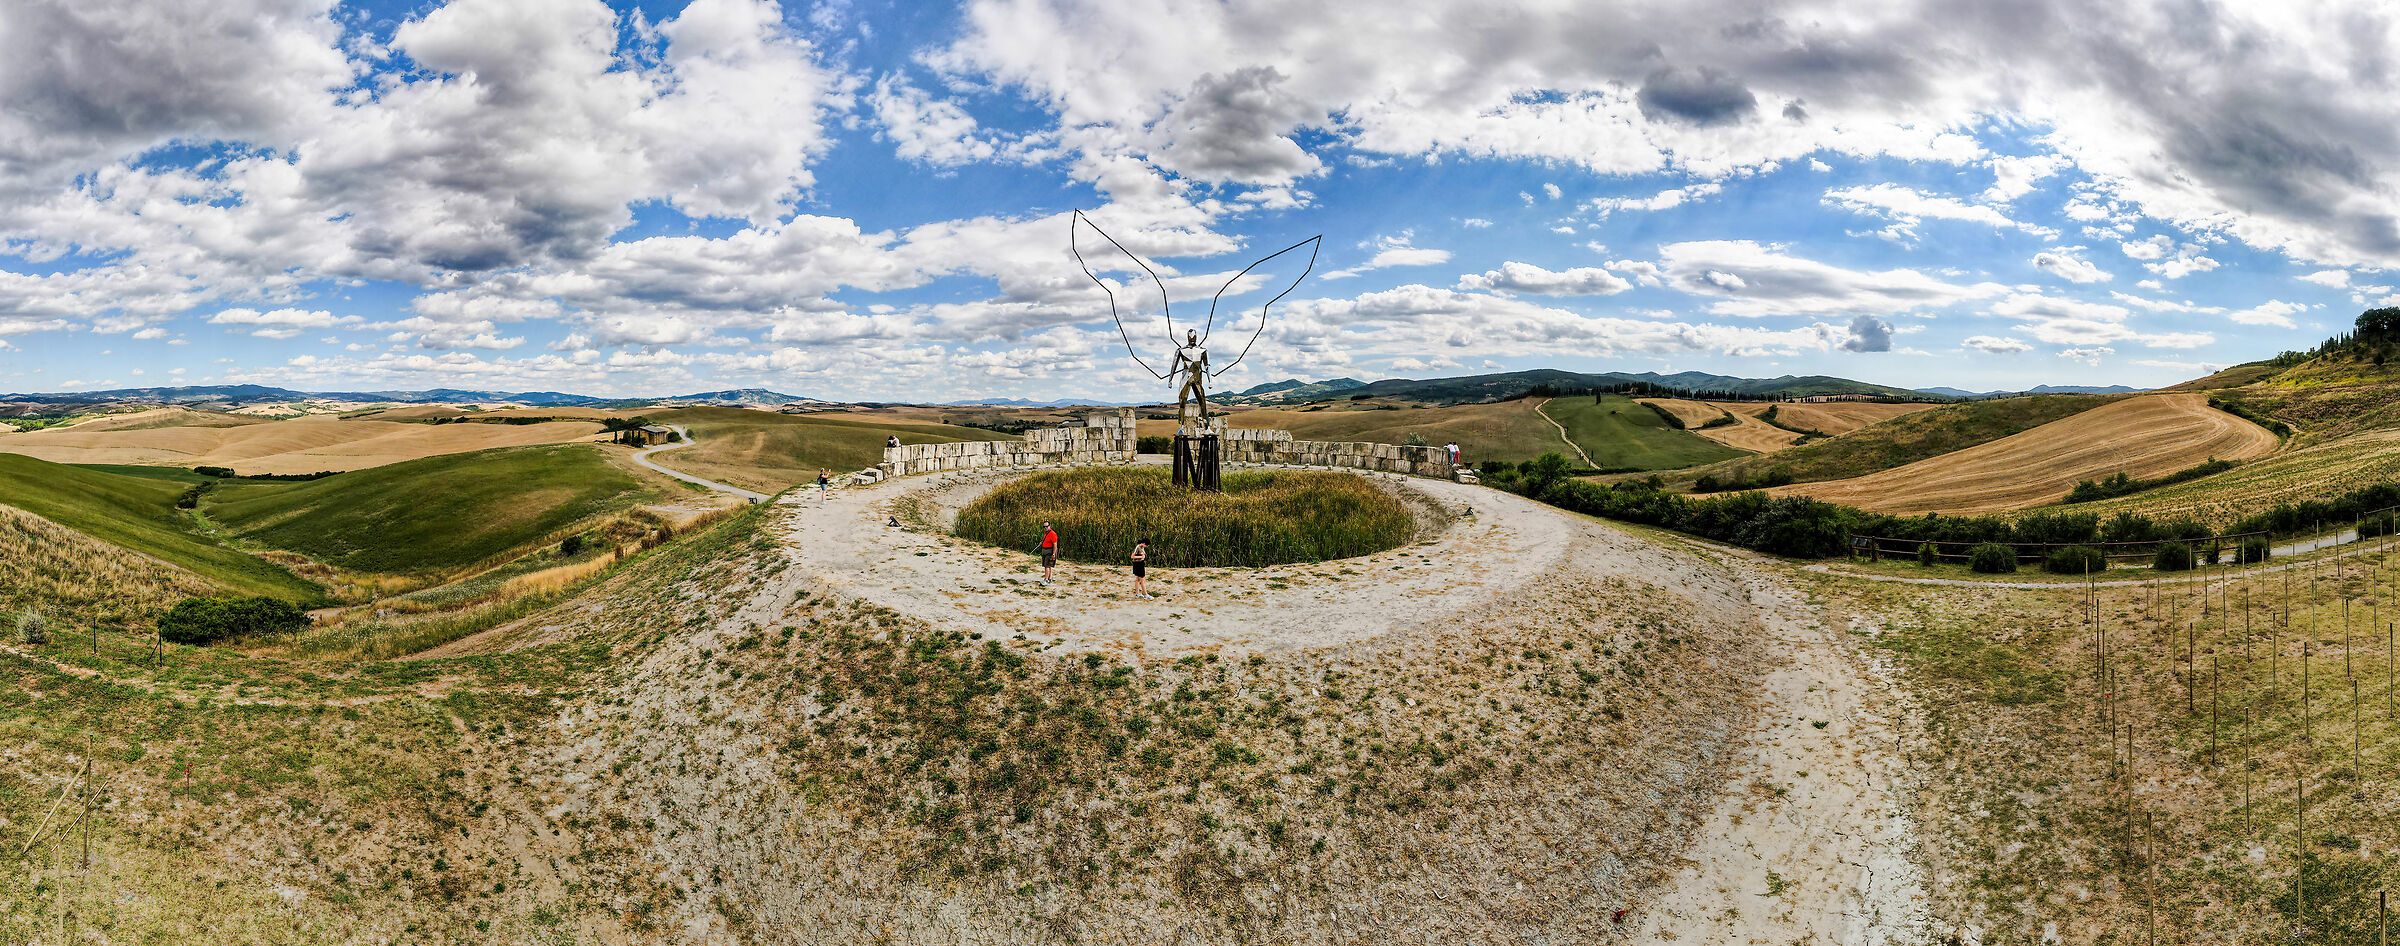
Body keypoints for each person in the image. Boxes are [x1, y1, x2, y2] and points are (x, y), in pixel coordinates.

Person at [1038, 521, 1059, 585]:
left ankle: (1046, 580)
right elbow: (1047, 540)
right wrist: (1042, 543)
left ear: (1049, 526)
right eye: (1044, 527)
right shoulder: (1046, 533)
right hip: (1045, 550)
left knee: (1046, 566)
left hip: (1049, 551)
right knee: (1049, 565)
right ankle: (1050, 578)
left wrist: (1053, 554)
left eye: (1046, 526)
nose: (1045, 528)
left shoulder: (1053, 534)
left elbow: (1055, 545)